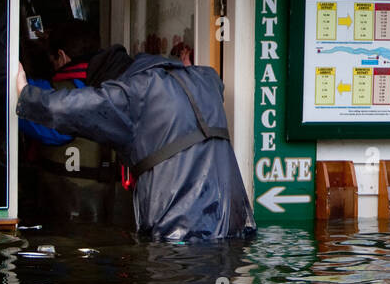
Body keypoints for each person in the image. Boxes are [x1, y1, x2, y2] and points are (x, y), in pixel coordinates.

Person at [15, 48, 255, 241]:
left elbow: (72, 107)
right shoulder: (206, 78)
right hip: (236, 224)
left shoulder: (136, 91)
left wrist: (25, 95)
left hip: (180, 232)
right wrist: (185, 69)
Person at [18, 22, 117, 223]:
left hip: (64, 216)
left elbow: (19, 111)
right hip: (113, 214)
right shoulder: (118, 90)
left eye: (52, 60)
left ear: (62, 57)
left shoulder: (55, 96)